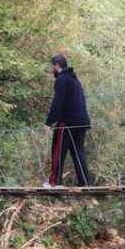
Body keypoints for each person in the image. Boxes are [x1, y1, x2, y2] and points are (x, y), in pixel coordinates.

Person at [43, 54, 91, 188]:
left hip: (67, 121)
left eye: (52, 67)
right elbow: (81, 100)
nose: (51, 69)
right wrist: (86, 122)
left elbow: (58, 101)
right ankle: (84, 183)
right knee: (78, 152)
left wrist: (49, 122)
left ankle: (55, 182)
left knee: (58, 150)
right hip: (81, 121)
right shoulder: (76, 81)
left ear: (57, 66)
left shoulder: (62, 79)